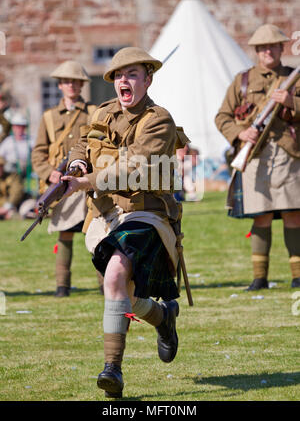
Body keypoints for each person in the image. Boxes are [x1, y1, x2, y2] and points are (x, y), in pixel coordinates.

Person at [61, 47, 187, 398]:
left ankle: (112, 370)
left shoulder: (158, 119)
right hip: (103, 217)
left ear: (147, 79)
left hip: (146, 213)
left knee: (116, 275)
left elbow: (136, 168)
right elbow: (79, 144)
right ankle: (163, 317)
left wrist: (90, 181)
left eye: (131, 74)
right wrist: (75, 166)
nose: (123, 81)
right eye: (118, 75)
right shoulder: (101, 112)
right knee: (121, 293)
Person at [215, 23, 300, 291]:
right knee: (260, 216)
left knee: (293, 215)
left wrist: (291, 102)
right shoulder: (243, 80)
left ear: (281, 48)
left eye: (273, 46)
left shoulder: (293, 78)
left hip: (289, 154)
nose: (267, 51)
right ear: (256, 51)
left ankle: (298, 276)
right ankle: (259, 277)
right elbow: (222, 117)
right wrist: (241, 134)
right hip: (254, 155)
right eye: (262, 48)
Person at [31, 60, 101, 298]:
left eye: (76, 81)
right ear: (60, 85)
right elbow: (38, 152)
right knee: (65, 232)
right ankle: (63, 285)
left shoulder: (94, 113)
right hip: (63, 185)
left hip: (89, 182)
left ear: (82, 84)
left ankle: (105, 284)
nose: (71, 85)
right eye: (66, 81)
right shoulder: (49, 117)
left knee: (98, 231)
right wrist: (47, 171)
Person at [0, 155, 25, 219]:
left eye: (1, 166)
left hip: (12, 206)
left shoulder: (13, 176)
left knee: (24, 212)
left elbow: (17, 192)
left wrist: (7, 207)